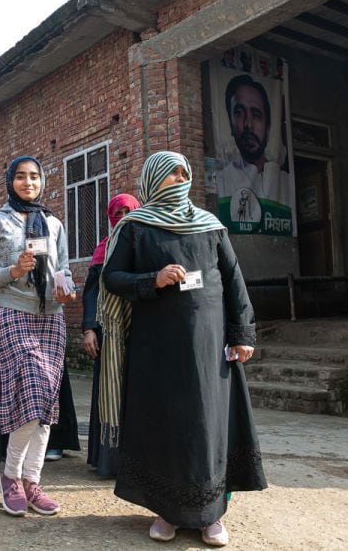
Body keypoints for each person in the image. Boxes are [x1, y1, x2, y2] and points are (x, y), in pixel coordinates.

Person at [100, 151, 266, 546]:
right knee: (166, 425)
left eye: (183, 174)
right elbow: (112, 277)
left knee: (209, 426)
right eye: (170, 175)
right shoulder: (136, 227)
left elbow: (233, 281)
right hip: (157, 347)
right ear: (153, 180)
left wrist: (242, 333)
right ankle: (167, 512)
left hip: (209, 346)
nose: (178, 180)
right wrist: (151, 280)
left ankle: (213, 515)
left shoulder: (211, 226)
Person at [0, 155, 75, 517]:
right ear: (10, 181)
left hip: (52, 315)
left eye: (34, 177)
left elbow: (63, 269)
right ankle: (11, 476)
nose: (28, 182)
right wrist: (14, 269)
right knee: (30, 388)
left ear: (42, 181)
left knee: (46, 399)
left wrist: (67, 288)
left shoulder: (53, 224)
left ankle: (33, 481)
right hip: (12, 310)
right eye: (20, 176)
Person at [81, 193, 140, 477]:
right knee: (107, 392)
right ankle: (107, 459)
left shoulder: (145, 243)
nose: (123, 216)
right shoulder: (102, 249)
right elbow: (91, 292)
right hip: (107, 331)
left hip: (140, 329)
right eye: (118, 212)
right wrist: (89, 328)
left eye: (129, 211)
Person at [216, 74, 291, 206]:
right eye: (239, 113)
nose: (248, 124)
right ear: (230, 123)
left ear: (268, 128)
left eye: (256, 115)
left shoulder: (284, 183)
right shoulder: (222, 181)